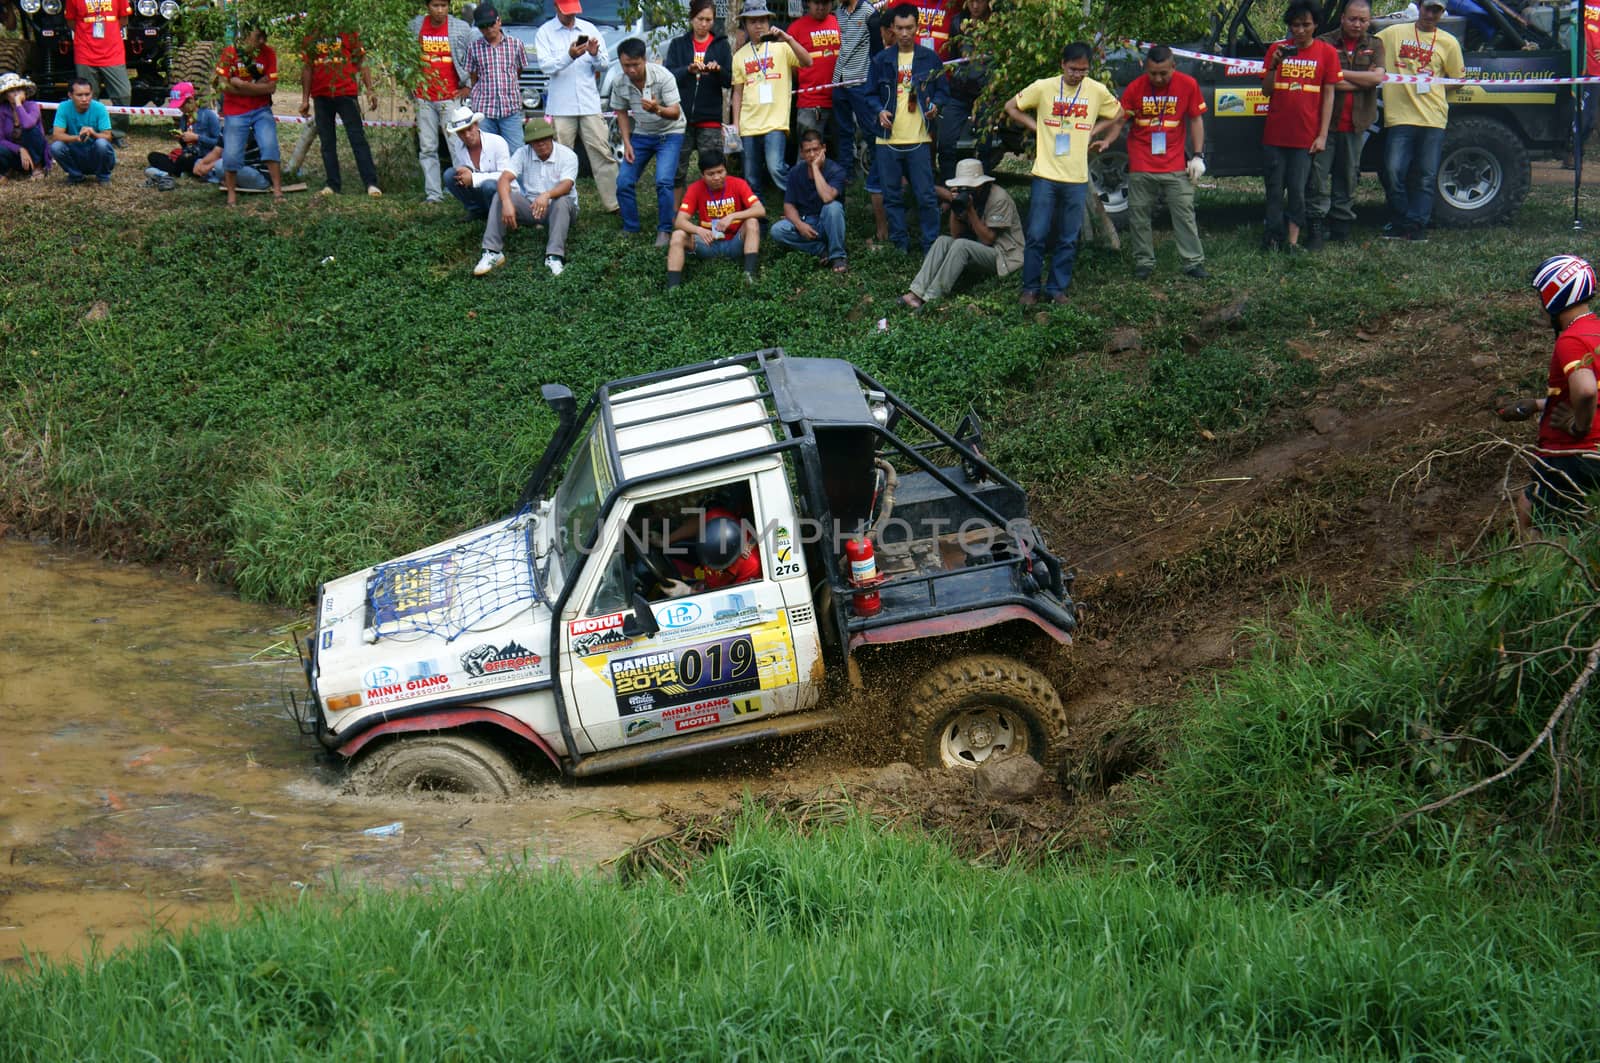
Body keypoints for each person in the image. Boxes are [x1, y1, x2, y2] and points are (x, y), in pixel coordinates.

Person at [1004, 42, 1122, 306]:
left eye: (1083, 70)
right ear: (1062, 65)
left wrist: (1097, 132)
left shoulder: (1096, 91)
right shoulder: (1043, 87)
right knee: (1036, 234)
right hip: (1045, 175)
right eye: (1073, 69)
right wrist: (1035, 127)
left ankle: (1057, 289)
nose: (1078, 74)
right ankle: (1030, 289)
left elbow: (1119, 113)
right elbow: (1011, 106)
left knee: (1068, 238)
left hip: (1076, 178)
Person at [1498, 255, 1600, 533]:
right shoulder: (1596, 332)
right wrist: (1538, 405)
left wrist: (1579, 426)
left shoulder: (1571, 339)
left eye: (1540, 296)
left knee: (1539, 523)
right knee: (1534, 507)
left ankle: (1536, 574)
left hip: (1574, 454)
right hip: (1593, 454)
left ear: (1554, 295)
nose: (1539, 306)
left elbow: (1587, 390)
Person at [1107, 44, 1208, 280]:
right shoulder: (1135, 88)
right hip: (1142, 160)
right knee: (1139, 212)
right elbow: (1120, 121)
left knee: (1184, 211)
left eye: (1164, 73)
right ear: (1145, 67)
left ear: (1174, 66)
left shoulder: (1188, 85)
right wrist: (1107, 141)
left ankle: (1193, 262)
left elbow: (1195, 120)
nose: (1158, 78)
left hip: (1174, 162)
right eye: (1153, 73)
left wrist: (1198, 155)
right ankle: (1144, 262)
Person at [1376, 0, 1464, 241]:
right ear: (1420, 7)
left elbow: (1458, 78)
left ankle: (1415, 225)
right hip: (1399, 116)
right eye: (1427, 8)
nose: (1431, 14)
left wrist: (1436, 87)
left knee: (1426, 175)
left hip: (1433, 117)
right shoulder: (1394, 33)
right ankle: (1404, 218)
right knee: (1393, 172)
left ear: (1442, 13)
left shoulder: (1449, 42)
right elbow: (1368, 42)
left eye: (1437, 10)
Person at [1259, 1, 1339, 252]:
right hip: (1275, 135)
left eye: (1306, 24)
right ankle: (1272, 237)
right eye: (1295, 25)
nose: (1301, 30)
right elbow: (1265, 91)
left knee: (1298, 189)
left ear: (1316, 25)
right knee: (1273, 188)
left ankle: (1292, 241)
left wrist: (1323, 135)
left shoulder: (1327, 53)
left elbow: (1329, 97)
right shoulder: (1277, 49)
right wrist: (1273, 65)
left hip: (1305, 136)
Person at [896, 157, 1022, 310]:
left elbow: (988, 239)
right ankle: (915, 293)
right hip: (979, 246)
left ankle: (932, 298)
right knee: (943, 240)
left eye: (968, 187)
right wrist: (955, 206)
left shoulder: (998, 198)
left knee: (962, 246)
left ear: (981, 185)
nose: (965, 190)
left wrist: (970, 210)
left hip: (1004, 255)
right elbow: (956, 235)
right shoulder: (968, 197)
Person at [869, 3, 946, 253]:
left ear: (917, 27)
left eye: (909, 28)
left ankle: (930, 245)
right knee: (892, 196)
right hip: (888, 139)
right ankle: (900, 245)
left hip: (920, 138)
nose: (904, 33)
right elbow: (868, 94)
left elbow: (944, 92)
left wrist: (935, 106)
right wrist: (879, 110)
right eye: (899, 28)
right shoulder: (882, 60)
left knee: (925, 195)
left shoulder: (930, 58)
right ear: (892, 28)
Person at [1310, 0, 1384, 245]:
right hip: (1325, 125)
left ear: (1369, 21)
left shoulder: (1375, 44)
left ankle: (1341, 229)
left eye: (1363, 20)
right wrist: (1364, 79)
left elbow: (1377, 78)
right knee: (1318, 179)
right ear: (1342, 18)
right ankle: (1316, 229)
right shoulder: (1324, 43)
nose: (1357, 24)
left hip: (1356, 126)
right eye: (1352, 19)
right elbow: (1325, 80)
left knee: (1348, 177)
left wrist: (1340, 76)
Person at [536, 0, 619, 213]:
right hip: (561, 106)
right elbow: (546, 66)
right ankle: (562, 205)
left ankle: (615, 204)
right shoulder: (545, 32)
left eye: (573, 12)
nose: (571, 17)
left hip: (589, 103)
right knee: (560, 158)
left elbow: (604, 63)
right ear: (556, 8)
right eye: (566, 12)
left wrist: (593, 53)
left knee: (602, 152)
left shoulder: (589, 28)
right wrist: (569, 56)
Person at [730, 0, 812, 198]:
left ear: (769, 22)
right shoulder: (740, 56)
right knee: (751, 176)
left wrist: (788, 38)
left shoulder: (782, 48)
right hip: (749, 123)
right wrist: (735, 125)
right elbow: (738, 92)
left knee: (776, 167)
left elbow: (807, 61)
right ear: (746, 25)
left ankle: (797, 199)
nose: (758, 25)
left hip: (775, 122)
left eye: (762, 20)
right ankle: (757, 218)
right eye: (752, 21)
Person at [475, 121, 578, 277]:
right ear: (530, 143)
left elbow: (567, 185)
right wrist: (507, 202)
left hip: (560, 210)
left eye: (544, 138)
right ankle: (492, 252)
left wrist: (547, 195)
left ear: (551, 137)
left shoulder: (568, 155)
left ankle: (554, 256)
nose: (541, 143)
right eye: (536, 141)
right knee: (501, 195)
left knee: (562, 200)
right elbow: (504, 179)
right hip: (532, 207)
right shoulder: (523, 153)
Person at [611, 37, 685, 246]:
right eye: (626, 65)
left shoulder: (663, 77)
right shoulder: (619, 81)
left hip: (670, 132)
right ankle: (631, 227)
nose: (631, 70)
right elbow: (622, 112)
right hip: (642, 134)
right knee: (624, 180)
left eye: (635, 64)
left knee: (663, 181)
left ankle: (665, 229)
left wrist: (657, 109)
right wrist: (627, 142)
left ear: (645, 59)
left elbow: (675, 113)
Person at [409, 0, 479, 204]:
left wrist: (468, 85)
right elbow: (404, 56)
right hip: (424, 96)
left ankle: (460, 190)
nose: (440, 10)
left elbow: (471, 57)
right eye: (435, 6)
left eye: (444, 6)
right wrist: (410, 83)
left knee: (457, 145)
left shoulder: (460, 28)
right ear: (427, 7)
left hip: (450, 96)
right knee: (427, 147)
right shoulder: (415, 26)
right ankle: (433, 194)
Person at [300, 28, 382, 196]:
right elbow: (307, 68)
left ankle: (371, 183)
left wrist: (370, 89)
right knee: (327, 142)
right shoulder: (311, 34)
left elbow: (361, 60)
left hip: (346, 93)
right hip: (321, 95)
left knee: (357, 139)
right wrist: (304, 99)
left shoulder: (347, 30)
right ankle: (332, 184)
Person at [667, 149, 765, 287]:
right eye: (711, 174)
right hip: (709, 244)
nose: (717, 177)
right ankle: (673, 287)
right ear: (702, 175)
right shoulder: (695, 188)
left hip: (735, 242)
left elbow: (760, 210)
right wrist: (698, 230)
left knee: (752, 222)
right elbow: (679, 221)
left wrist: (732, 216)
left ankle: (749, 275)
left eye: (720, 172)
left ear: (726, 170)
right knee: (677, 235)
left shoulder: (738, 183)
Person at [665, 0, 733, 199]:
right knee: (678, 169)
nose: (704, 24)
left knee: (713, 169)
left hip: (710, 117)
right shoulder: (679, 44)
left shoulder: (721, 45)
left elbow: (730, 81)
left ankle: (713, 210)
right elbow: (668, 75)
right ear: (691, 19)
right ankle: (677, 214)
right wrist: (688, 69)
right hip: (681, 116)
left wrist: (718, 70)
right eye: (700, 19)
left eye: (709, 20)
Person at [215, 22, 284, 204]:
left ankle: (278, 191)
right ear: (246, 36)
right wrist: (256, 87)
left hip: (261, 109)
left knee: (269, 146)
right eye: (257, 36)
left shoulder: (269, 53)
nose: (261, 41)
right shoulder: (230, 52)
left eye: (264, 37)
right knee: (231, 153)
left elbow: (271, 88)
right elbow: (223, 84)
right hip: (235, 110)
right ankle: (231, 196)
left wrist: (243, 85)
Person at [770, 129, 849, 270]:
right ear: (802, 153)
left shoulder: (836, 170)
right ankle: (820, 250)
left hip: (828, 222)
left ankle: (837, 256)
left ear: (824, 148)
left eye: (816, 150)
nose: (812, 155)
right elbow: (788, 206)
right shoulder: (795, 172)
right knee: (777, 230)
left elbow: (827, 197)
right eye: (807, 151)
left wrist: (815, 168)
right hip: (807, 221)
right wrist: (800, 224)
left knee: (833, 207)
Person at [937, 0, 994, 184]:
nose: (976, 6)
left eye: (980, 2)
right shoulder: (957, 22)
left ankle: (982, 189)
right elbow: (953, 57)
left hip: (985, 92)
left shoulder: (996, 24)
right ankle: (948, 187)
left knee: (984, 145)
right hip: (959, 91)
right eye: (972, 2)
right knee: (945, 141)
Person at [64, 0, 131, 141]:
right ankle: (89, 131)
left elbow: (123, 20)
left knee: (123, 94)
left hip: (113, 52)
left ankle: (116, 133)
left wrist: (109, 32)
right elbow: (71, 22)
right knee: (86, 96)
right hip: (85, 52)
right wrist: (86, 32)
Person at [465, 4, 527, 155]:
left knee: (517, 152)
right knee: (486, 153)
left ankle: (516, 180)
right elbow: (473, 77)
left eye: (491, 24)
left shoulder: (516, 44)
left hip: (510, 108)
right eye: (483, 26)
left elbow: (519, 70)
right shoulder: (474, 48)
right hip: (484, 109)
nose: (488, 29)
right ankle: (489, 180)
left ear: (499, 21)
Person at [830, 0, 880, 182]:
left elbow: (877, 49)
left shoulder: (869, 13)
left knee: (869, 128)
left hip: (860, 78)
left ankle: (877, 173)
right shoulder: (839, 12)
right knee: (843, 129)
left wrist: (875, 80)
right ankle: (846, 174)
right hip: (839, 78)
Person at [444, 104, 514, 219]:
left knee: (489, 185)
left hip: (505, 193)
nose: (467, 135)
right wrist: (465, 172)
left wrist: (473, 178)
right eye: (461, 132)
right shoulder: (458, 145)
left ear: (476, 125)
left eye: (469, 129)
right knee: (450, 175)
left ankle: (497, 214)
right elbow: (462, 169)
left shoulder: (497, 142)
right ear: (457, 134)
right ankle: (477, 211)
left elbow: (505, 176)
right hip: (480, 191)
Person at [143, 81, 218, 188]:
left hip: (202, 157)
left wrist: (197, 137)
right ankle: (174, 173)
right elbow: (185, 146)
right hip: (186, 155)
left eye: (182, 105)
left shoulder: (209, 116)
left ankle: (166, 173)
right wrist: (181, 138)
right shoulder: (184, 118)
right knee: (153, 156)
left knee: (186, 160)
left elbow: (219, 143)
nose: (180, 109)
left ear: (191, 100)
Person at [789, 0, 840, 141]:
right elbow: (792, 68)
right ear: (808, 3)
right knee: (808, 154)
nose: (821, 7)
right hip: (809, 102)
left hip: (841, 100)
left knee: (845, 152)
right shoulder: (795, 29)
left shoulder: (841, 23)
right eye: (816, 2)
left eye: (825, 3)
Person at [49, 77, 115, 184]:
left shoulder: (100, 108)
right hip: (76, 152)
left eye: (87, 94)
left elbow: (108, 137)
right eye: (79, 95)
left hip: (96, 152)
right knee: (56, 147)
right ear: (70, 95)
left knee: (102, 144)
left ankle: (103, 176)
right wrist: (77, 138)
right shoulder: (63, 107)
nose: (84, 99)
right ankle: (75, 175)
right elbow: (56, 135)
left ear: (92, 93)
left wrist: (93, 133)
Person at [0, 71, 50, 180]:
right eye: (12, 91)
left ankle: (37, 167)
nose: (16, 94)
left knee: (30, 131)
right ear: (5, 95)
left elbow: (28, 125)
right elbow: (1, 139)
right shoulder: (2, 110)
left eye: (18, 90)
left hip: (35, 150)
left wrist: (18, 104)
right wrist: (20, 149)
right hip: (17, 153)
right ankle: (7, 170)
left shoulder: (32, 106)